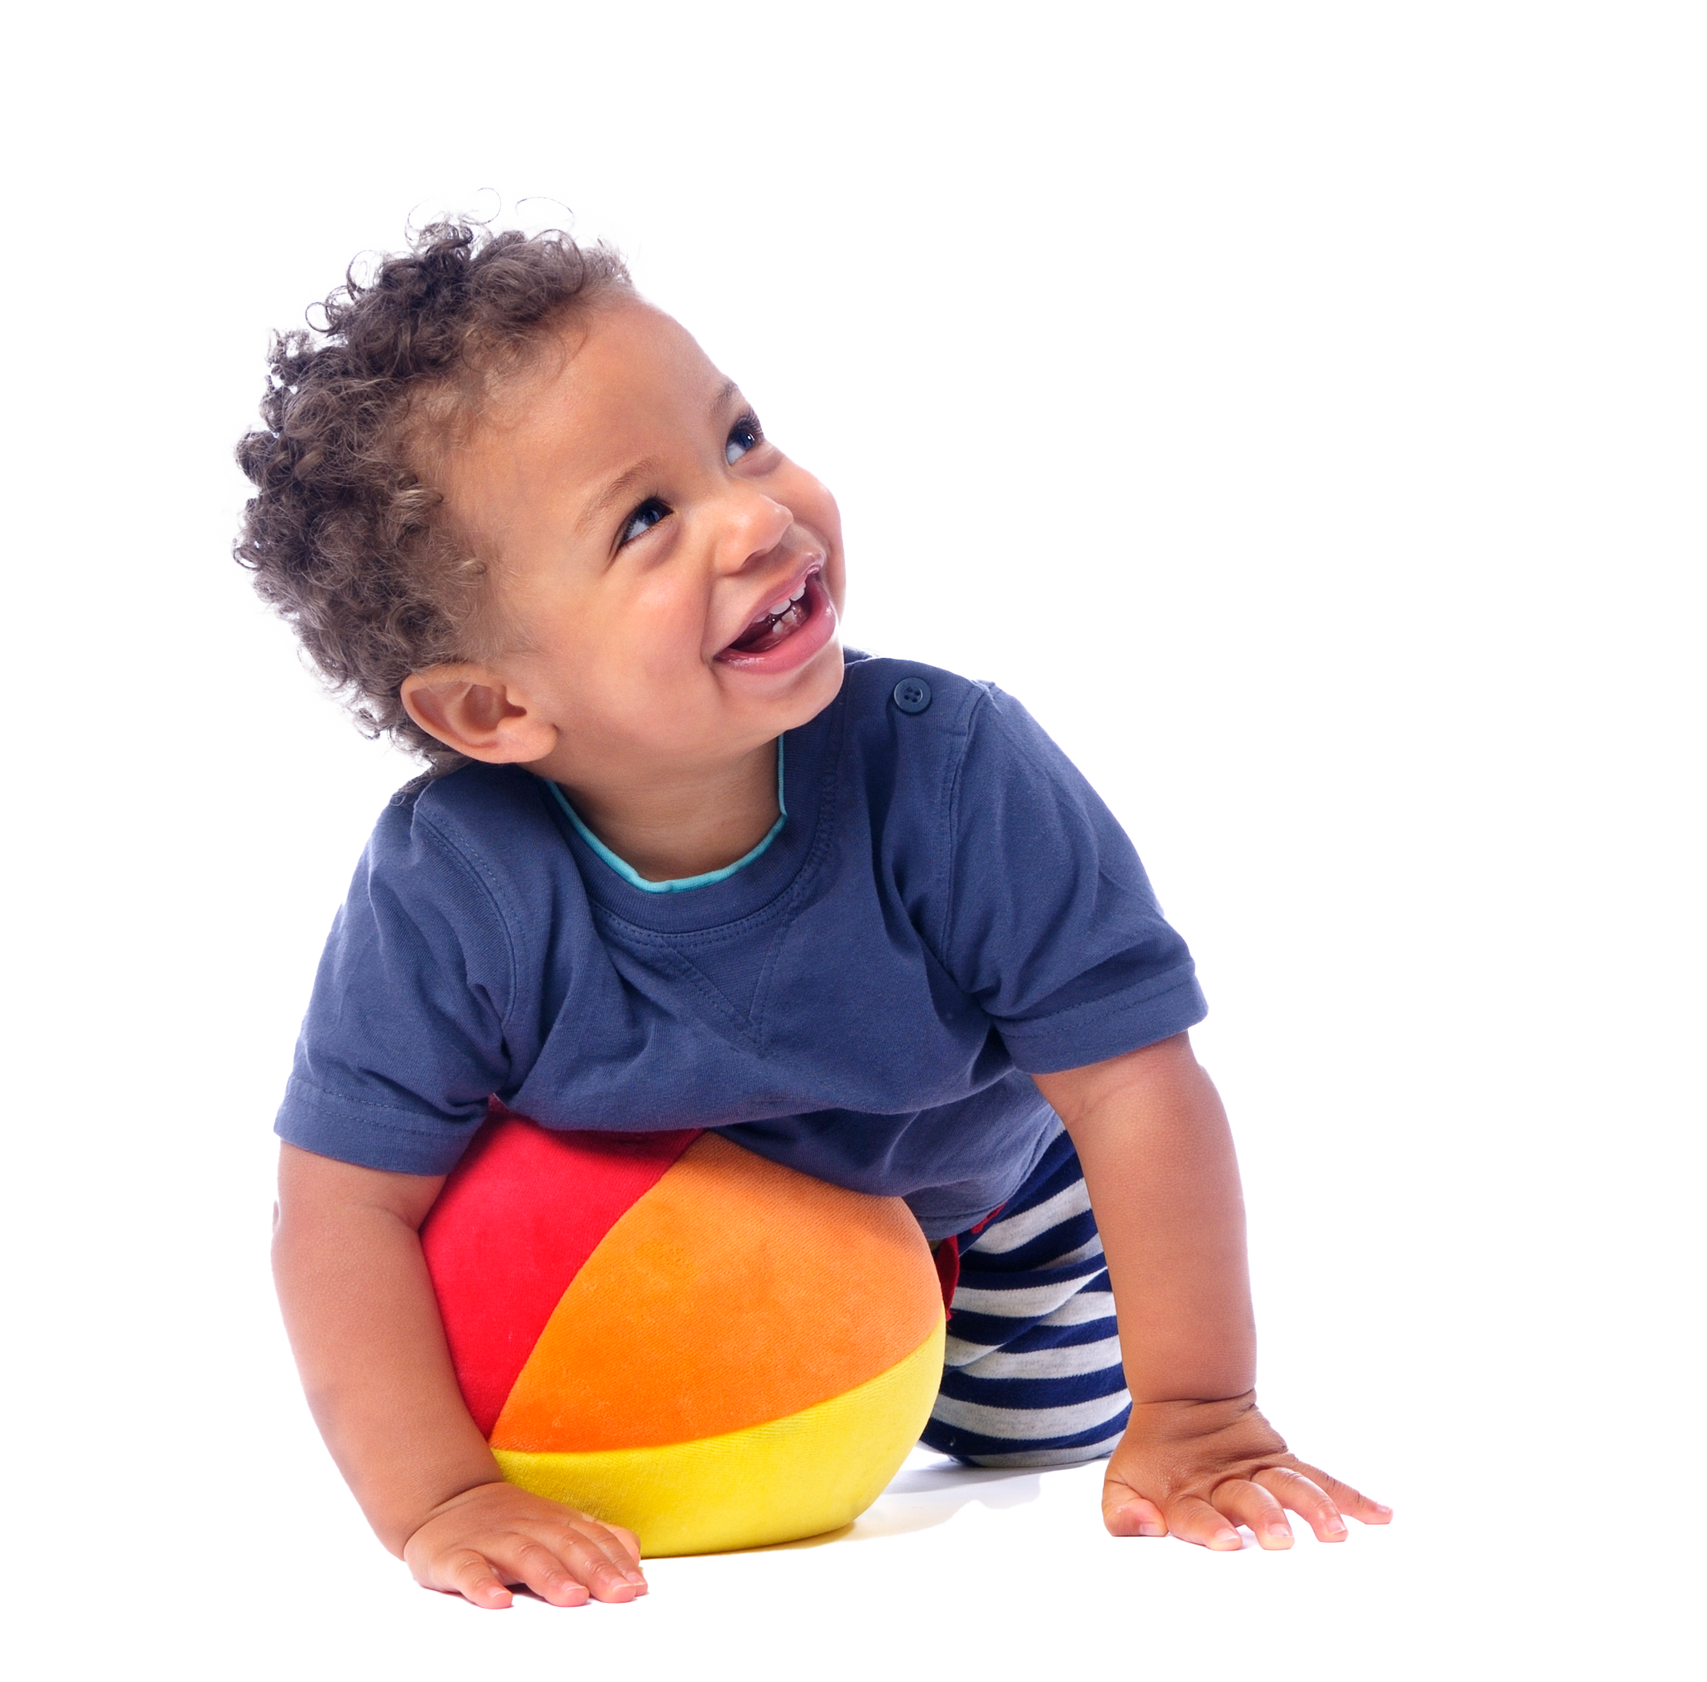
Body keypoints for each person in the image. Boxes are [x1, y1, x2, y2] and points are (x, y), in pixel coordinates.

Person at [220, 180, 1396, 1613]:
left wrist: (1203, 1410)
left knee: (1047, 1433)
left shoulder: (957, 766)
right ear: (492, 704)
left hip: (989, 1182)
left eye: (739, 434)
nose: (756, 517)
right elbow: (339, 1210)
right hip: (667, 1229)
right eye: (646, 517)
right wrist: (441, 1497)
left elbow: (1136, 1089)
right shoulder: (452, 885)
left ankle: (999, 1345)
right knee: (581, 1396)